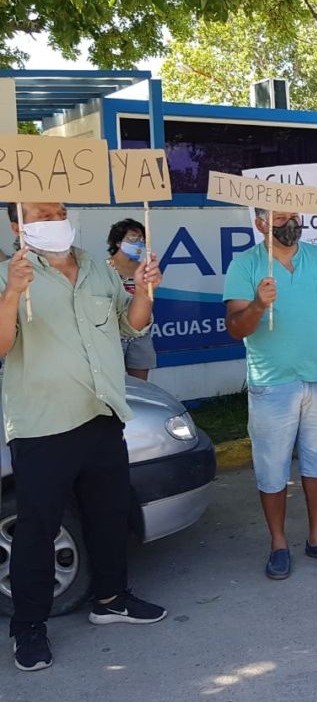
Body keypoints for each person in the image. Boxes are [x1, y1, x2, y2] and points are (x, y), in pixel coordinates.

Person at [1, 201, 167, 672]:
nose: (54, 218)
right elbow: (2, 345)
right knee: (37, 529)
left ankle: (111, 599)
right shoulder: (9, 275)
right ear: (19, 224)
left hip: (100, 414)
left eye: (59, 210)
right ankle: (29, 628)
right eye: (40, 213)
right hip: (43, 425)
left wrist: (147, 292)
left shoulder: (96, 267)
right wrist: (12, 293)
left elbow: (129, 325)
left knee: (109, 515)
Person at [223, 209, 317, 580]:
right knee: (272, 468)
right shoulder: (245, 265)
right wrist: (259, 305)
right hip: (271, 383)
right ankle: (278, 544)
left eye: (293, 216)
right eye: (279, 218)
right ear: (261, 223)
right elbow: (236, 328)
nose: (289, 224)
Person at [105, 218, 158, 380]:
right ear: (118, 242)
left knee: (141, 385)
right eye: (133, 238)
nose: (139, 242)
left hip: (140, 335)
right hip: (114, 335)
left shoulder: (144, 269)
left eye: (141, 239)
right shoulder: (103, 268)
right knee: (115, 383)